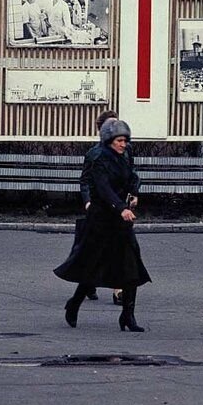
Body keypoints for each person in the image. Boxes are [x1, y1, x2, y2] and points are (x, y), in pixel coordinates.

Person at [54, 119, 150, 331]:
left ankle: (128, 315)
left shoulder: (124, 156)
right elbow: (104, 189)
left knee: (131, 266)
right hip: (101, 220)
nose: (123, 144)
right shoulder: (99, 159)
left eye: (125, 140)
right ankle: (74, 304)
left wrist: (134, 194)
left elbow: (132, 176)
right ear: (109, 140)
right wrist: (120, 208)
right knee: (94, 268)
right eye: (119, 140)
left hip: (121, 223)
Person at [73, 109, 126, 302]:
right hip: (100, 209)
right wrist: (87, 201)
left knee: (120, 249)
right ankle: (87, 284)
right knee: (95, 251)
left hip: (118, 209)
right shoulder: (94, 154)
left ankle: (118, 290)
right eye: (110, 126)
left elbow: (131, 176)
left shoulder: (124, 152)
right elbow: (85, 180)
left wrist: (133, 193)